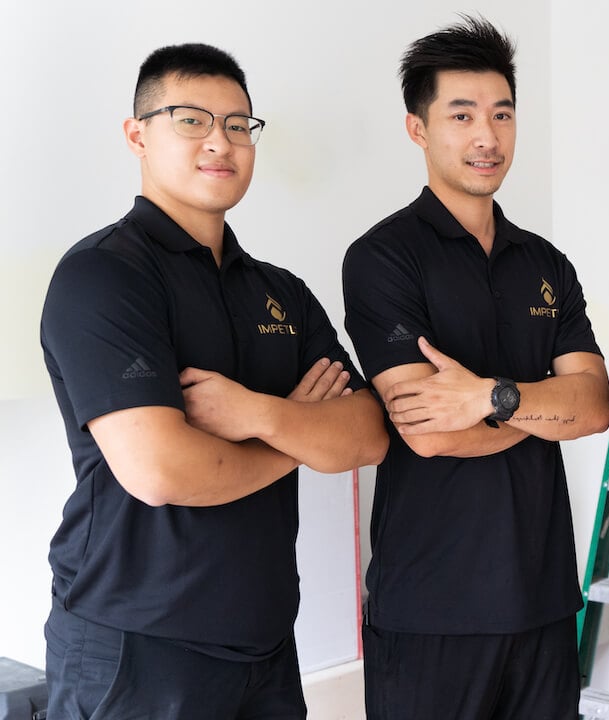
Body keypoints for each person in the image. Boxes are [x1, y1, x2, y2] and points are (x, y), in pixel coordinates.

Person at [39, 43, 388, 718]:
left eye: (237, 124)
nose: (219, 142)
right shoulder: (104, 277)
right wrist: (300, 435)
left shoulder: (278, 291)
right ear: (137, 135)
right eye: (191, 120)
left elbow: (369, 433)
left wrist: (257, 413)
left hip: (264, 643)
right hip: (136, 644)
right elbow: (163, 470)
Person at [341, 16, 609, 720]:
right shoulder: (383, 258)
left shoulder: (545, 263)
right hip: (431, 607)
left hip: (544, 598)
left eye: (501, 114)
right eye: (461, 115)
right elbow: (428, 430)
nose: (486, 136)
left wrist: (491, 396)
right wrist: (540, 408)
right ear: (418, 129)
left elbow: (594, 410)